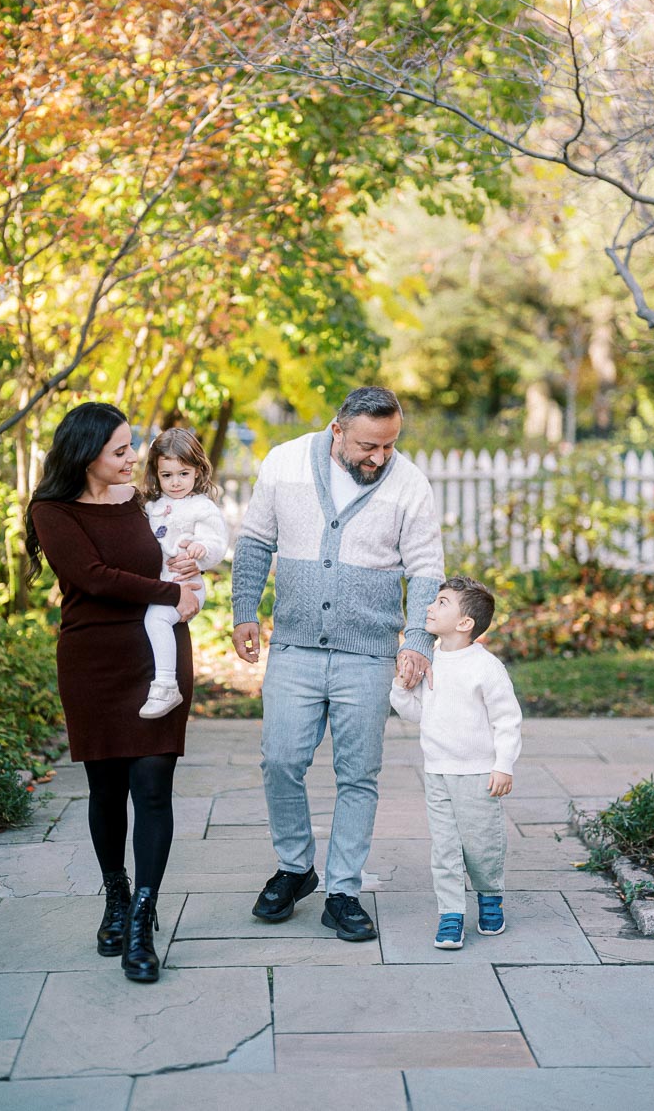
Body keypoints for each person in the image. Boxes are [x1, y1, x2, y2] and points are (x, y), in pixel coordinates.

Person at [232, 386, 444, 942]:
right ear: (337, 431)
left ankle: (343, 889)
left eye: (389, 445)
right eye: (368, 446)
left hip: (369, 654)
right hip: (296, 646)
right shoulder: (283, 463)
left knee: (358, 775)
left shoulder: (410, 483)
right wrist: (243, 611)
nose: (379, 457)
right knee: (280, 760)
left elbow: (425, 568)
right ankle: (296, 867)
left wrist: (418, 640)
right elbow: (255, 541)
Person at [24, 402, 201, 983]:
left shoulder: (147, 506)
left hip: (157, 657)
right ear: (87, 455)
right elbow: (92, 577)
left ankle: (144, 914)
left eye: (132, 447)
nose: (134, 458)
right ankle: (116, 896)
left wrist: (189, 576)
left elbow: (184, 554)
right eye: (121, 449)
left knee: (152, 785)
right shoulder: (52, 512)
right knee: (106, 787)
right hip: (94, 660)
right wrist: (168, 595)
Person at [389, 575, 522, 950]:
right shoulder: (429, 659)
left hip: (479, 774)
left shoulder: (486, 667)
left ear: (465, 624)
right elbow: (418, 713)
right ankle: (450, 913)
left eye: (442, 603)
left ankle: (489, 896)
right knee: (444, 847)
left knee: (482, 845)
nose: (430, 607)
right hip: (437, 772)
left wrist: (504, 764)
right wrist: (400, 686)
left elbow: (507, 720)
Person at [139, 429, 228, 719]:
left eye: (183, 473)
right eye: (167, 475)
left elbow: (216, 543)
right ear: (156, 474)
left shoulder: (201, 507)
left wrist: (201, 548)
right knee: (152, 616)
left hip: (187, 584)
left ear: (198, 471)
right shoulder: (152, 506)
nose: (175, 482)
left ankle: (165, 684)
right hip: (162, 583)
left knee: (156, 618)